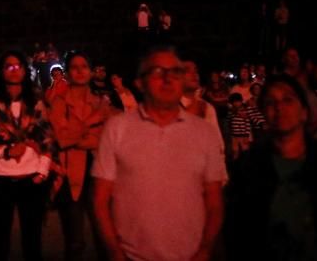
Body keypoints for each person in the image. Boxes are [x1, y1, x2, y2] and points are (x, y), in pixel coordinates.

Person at [92, 46, 226, 261]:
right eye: (157, 71)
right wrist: (115, 252)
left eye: (175, 72)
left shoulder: (204, 133)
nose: (167, 79)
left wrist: (205, 250)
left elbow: (214, 201)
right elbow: (100, 199)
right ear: (140, 82)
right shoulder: (117, 128)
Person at [226, 74, 317, 259]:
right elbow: (237, 232)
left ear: (304, 111)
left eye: (288, 99)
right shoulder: (248, 169)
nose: (279, 107)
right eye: (271, 102)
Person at [0, 50, 57, 261]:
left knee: (33, 240)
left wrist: (42, 171)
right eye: (8, 66)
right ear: (1, 72)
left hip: (31, 179)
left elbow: (47, 137)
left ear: (24, 70)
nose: (14, 70)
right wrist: (6, 151)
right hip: (0, 179)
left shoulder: (36, 102)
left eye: (18, 66)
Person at [49, 51, 111, 261]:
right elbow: (61, 137)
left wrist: (76, 134)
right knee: (75, 241)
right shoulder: (60, 103)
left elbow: (104, 139)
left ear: (91, 72)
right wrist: (91, 126)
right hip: (71, 175)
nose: (80, 71)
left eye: (84, 66)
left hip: (99, 172)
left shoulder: (100, 103)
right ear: (68, 72)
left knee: (104, 236)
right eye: (75, 67)